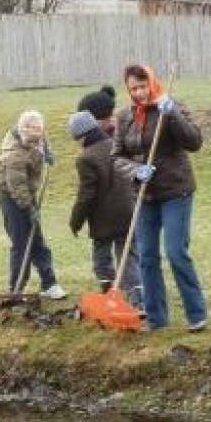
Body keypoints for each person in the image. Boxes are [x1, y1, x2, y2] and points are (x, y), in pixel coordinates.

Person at [112, 64, 207, 332]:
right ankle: (156, 318)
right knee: (147, 256)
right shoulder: (124, 117)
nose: (140, 93)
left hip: (176, 190)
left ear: (152, 83)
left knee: (176, 252)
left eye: (143, 86)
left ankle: (197, 313)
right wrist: (135, 171)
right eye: (134, 88)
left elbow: (194, 142)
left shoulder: (171, 105)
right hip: (145, 195)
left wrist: (173, 114)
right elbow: (116, 156)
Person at [68, 109, 141, 306]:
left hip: (103, 219)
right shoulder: (117, 145)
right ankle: (138, 299)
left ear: (82, 136)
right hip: (129, 211)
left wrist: (76, 221)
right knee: (129, 257)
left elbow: (86, 195)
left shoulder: (86, 158)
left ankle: (109, 293)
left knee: (101, 259)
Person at [0, 110, 67, 300]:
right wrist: (29, 209)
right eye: (32, 142)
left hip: (29, 193)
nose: (37, 144)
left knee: (37, 241)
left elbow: (43, 142)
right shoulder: (13, 155)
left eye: (39, 140)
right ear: (22, 134)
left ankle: (49, 284)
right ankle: (16, 289)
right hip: (11, 197)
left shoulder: (38, 135)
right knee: (21, 243)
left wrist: (47, 153)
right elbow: (17, 187)